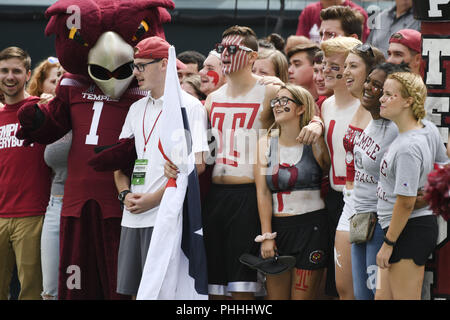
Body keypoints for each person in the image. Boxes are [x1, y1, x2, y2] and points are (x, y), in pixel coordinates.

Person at [113, 36, 208, 299]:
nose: (136, 72)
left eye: (142, 65)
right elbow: (118, 162)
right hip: (132, 213)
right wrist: (124, 194)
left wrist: (154, 200)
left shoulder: (189, 106)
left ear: (164, 64)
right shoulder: (135, 108)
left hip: (166, 214)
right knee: (135, 292)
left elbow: (198, 164)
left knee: (164, 292)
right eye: (135, 65)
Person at [375, 72, 448, 299]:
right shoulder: (426, 128)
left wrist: (388, 243)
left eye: (389, 95)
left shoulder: (409, 146)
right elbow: (444, 166)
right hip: (397, 228)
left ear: (408, 101)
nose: (381, 99)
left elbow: (406, 203)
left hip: (407, 232)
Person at [254, 84, 331, 300]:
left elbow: (329, 171)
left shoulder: (316, 142)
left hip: (313, 228)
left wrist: (317, 124)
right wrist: (267, 236)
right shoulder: (265, 144)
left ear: (300, 108)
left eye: (284, 100)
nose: (277, 105)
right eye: (275, 101)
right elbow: (262, 193)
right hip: (279, 229)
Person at [0, 46, 52, 300]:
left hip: (32, 214)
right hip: (0, 214)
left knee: (32, 292)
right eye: (4, 70)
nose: (10, 76)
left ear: (28, 75)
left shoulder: (41, 108)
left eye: (16, 71)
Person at [320, 36, 362, 299]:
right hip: (335, 199)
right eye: (324, 63)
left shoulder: (366, 106)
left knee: (356, 283)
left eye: (334, 66)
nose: (325, 70)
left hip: (362, 201)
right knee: (335, 285)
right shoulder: (325, 105)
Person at [27, 56, 72, 300]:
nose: (61, 84)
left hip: (87, 202)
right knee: (50, 291)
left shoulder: (87, 109)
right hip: (55, 203)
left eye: (66, 78)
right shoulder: (43, 113)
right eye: (55, 80)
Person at [296, 1, 369, 43]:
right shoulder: (309, 11)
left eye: (331, 35)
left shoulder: (358, 13)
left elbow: (359, 46)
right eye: (321, 35)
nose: (323, 42)